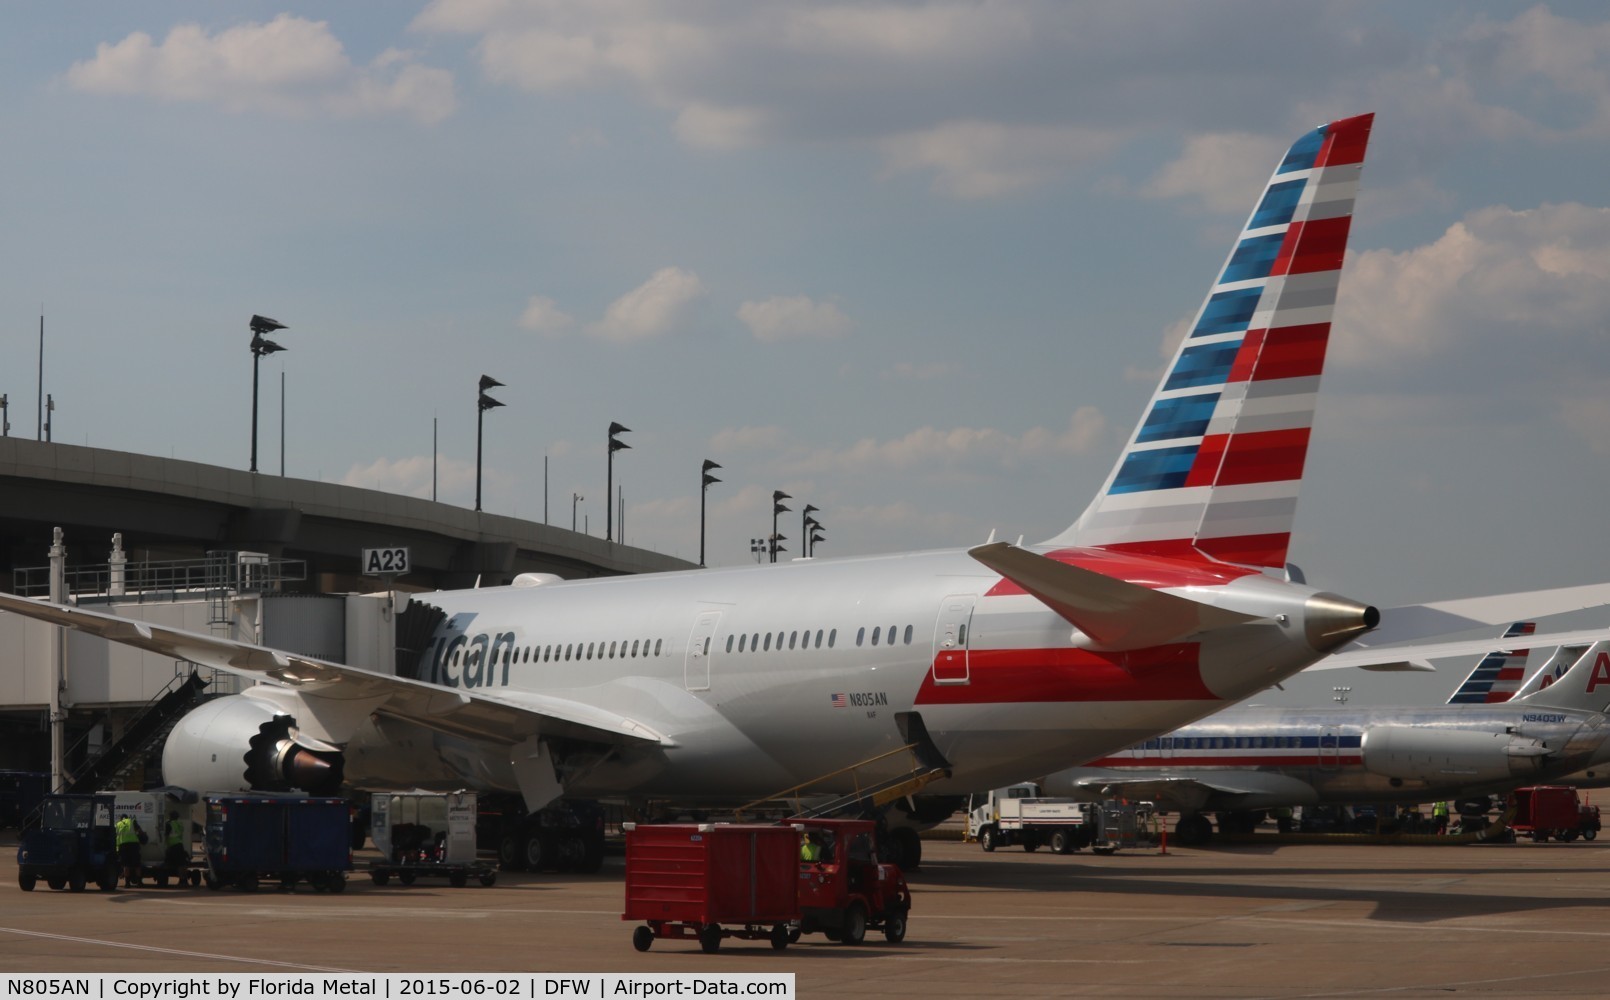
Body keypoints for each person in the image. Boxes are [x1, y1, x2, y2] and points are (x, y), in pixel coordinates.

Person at [115, 813, 144, 887]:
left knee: (126, 865)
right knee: (137, 865)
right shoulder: (132, 821)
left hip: (123, 846)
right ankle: (139, 883)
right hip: (133, 845)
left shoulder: (118, 824)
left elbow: (115, 835)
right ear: (127, 817)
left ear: (121, 819)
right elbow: (139, 831)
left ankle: (127, 883)